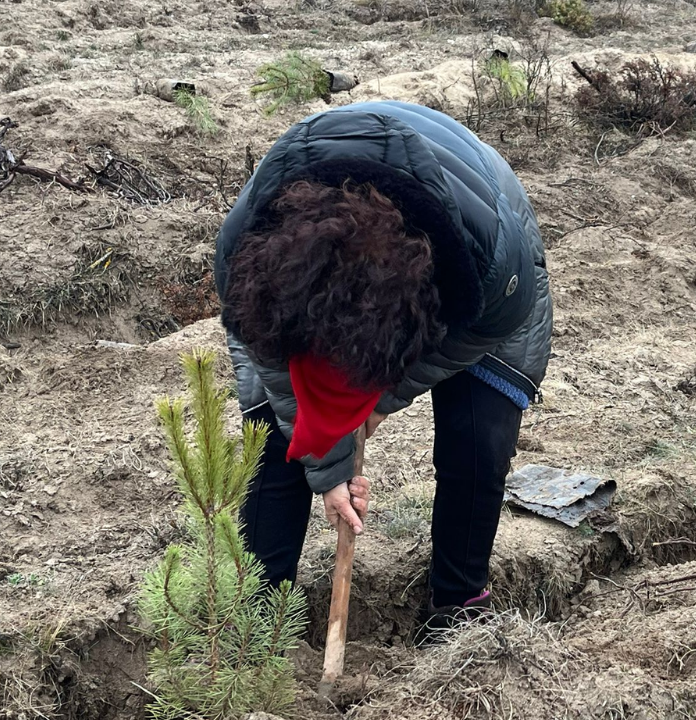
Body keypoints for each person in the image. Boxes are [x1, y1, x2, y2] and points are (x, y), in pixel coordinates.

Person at [214, 101, 552, 638]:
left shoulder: (491, 262)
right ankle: (255, 621)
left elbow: (479, 335)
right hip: (294, 262)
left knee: (477, 439)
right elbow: (277, 371)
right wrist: (328, 455)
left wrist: (373, 404)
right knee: (278, 437)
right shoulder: (250, 255)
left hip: (474, 256)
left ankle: (459, 606)